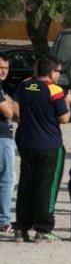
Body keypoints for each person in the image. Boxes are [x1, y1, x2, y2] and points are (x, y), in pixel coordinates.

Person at [12, 55, 71, 243]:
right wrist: (68, 102)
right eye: (58, 71)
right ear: (51, 72)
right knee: (47, 186)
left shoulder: (24, 85)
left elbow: (16, 110)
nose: (59, 75)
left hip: (26, 142)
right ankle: (43, 228)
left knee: (26, 185)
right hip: (49, 144)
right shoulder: (55, 90)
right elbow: (64, 118)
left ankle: (21, 228)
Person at [0, 55, 16, 235]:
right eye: (0, 67)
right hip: (2, 137)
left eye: (6, 67)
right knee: (6, 180)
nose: (3, 71)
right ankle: (4, 221)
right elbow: (9, 112)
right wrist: (9, 103)